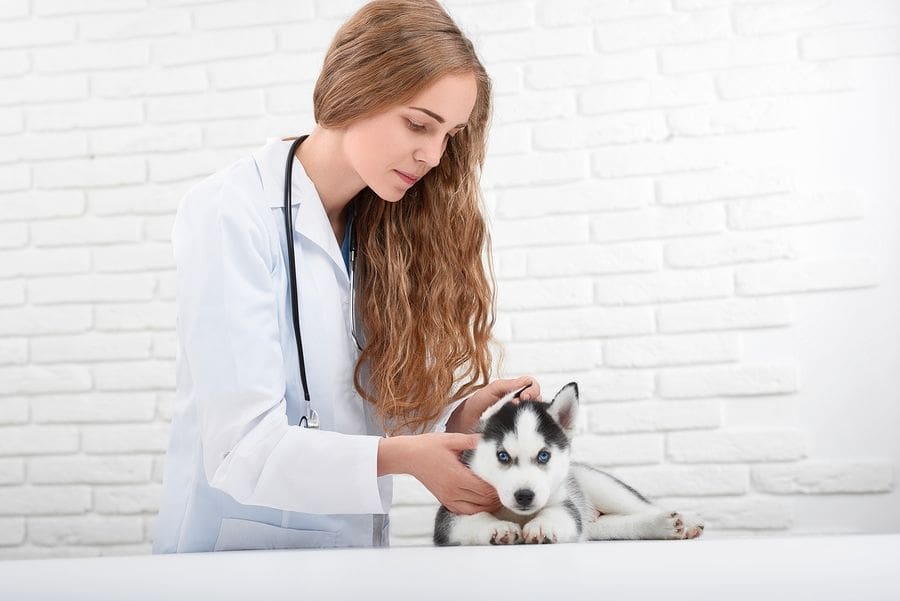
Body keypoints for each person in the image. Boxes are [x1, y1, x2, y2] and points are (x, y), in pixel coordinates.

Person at [152, 0, 541, 553]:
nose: (432, 155)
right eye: (417, 124)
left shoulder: (384, 229)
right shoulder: (230, 210)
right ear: (356, 88)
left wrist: (458, 419)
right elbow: (239, 449)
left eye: (449, 135)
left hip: (352, 562)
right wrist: (404, 458)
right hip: (234, 563)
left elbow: (354, 407)